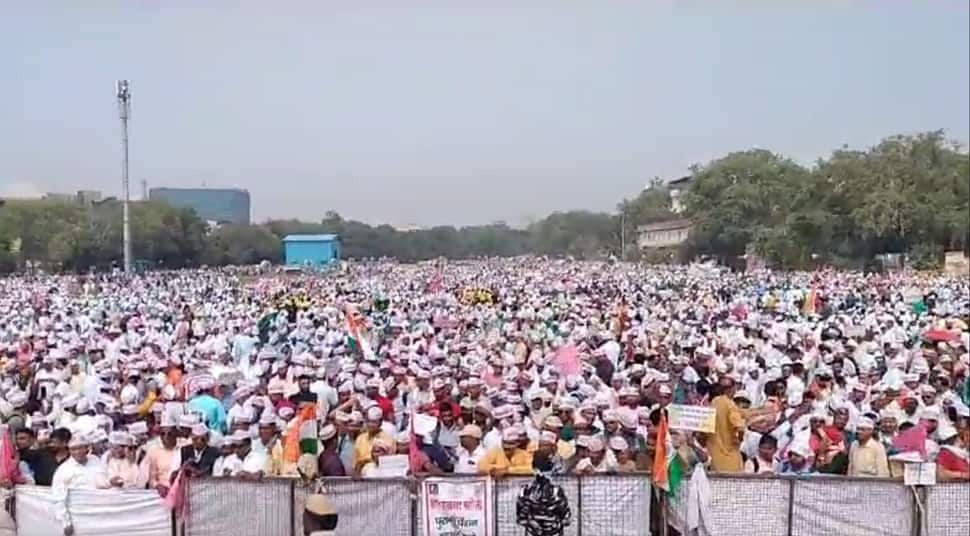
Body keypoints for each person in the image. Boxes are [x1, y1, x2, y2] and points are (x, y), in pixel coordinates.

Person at [50, 433, 109, 536]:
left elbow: (104, 481)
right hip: (78, 517)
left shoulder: (95, 461)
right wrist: (66, 522)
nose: (77, 452)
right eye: (73, 449)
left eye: (79, 448)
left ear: (87, 448)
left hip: (100, 514)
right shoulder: (64, 470)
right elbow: (58, 498)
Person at [706, 377, 746, 472]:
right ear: (733, 388)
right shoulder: (730, 404)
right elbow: (740, 427)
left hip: (714, 454)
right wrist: (739, 439)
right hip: (730, 456)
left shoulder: (713, 403)